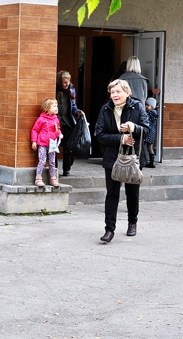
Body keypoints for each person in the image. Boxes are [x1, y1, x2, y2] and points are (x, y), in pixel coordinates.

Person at [95, 79, 150, 243]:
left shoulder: (137, 106)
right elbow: (99, 134)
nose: (115, 95)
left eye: (118, 92)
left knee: (132, 192)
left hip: (132, 158)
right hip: (112, 157)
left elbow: (146, 130)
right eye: (112, 92)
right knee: (112, 193)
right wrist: (121, 138)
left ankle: (132, 222)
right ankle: (109, 230)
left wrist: (133, 128)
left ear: (127, 92)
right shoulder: (105, 109)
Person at [31, 97, 63, 187]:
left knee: (52, 162)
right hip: (42, 143)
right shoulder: (41, 119)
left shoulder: (55, 119)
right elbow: (35, 130)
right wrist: (34, 141)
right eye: (54, 106)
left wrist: (59, 134)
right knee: (42, 160)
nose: (56, 108)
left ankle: (53, 178)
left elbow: (58, 129)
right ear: (47, 108)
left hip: (52, 144)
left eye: (56, 106)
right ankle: (38, 178)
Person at [56, 71, 83, 176]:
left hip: (67, 121)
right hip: (55, 121)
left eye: (68, 82)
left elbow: (73, 106)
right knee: (54, 147)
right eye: (64, 82)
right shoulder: (53, 88)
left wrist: (77, 112)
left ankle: (67, 168)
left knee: (69, 145)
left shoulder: (71, 90)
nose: (67, 84)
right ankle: (54, 169)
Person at [144, 97, 159, 167]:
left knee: (145, 146)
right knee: (150, 146)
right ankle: (151, 162)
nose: (146, 106)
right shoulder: (155, 113)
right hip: (152, 131)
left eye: (148, 105)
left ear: (152, 106)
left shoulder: (150, 114)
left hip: (148, 131)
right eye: (146, 105)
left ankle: (147, 161)